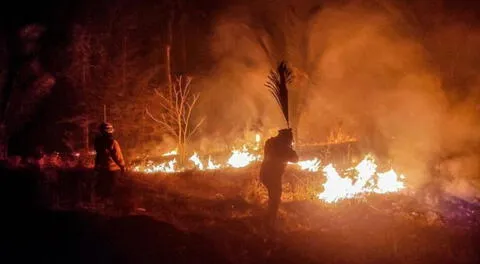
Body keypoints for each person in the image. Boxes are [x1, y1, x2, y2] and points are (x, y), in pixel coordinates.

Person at [259, 128, 298, 229]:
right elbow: (296, 159)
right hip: (273, 176)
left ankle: (269, 219)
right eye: (290, 139)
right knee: (275, 199)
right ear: (287, 138)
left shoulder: (270, 142)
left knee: (273, 198)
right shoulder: (284, 148)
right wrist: (291, 148)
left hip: (264, 174)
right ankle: (270, 222)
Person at [94, 122, 125, 203]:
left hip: (102, 168)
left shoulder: (98, 142)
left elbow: (98, 155)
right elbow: (117, 156)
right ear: (110, 131)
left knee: (104, 187)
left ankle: (102, 204)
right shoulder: (113, 142)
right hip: (113, 169)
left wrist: (97, 166)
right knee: (112, 189)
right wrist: (122, 166)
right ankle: (110, 207)